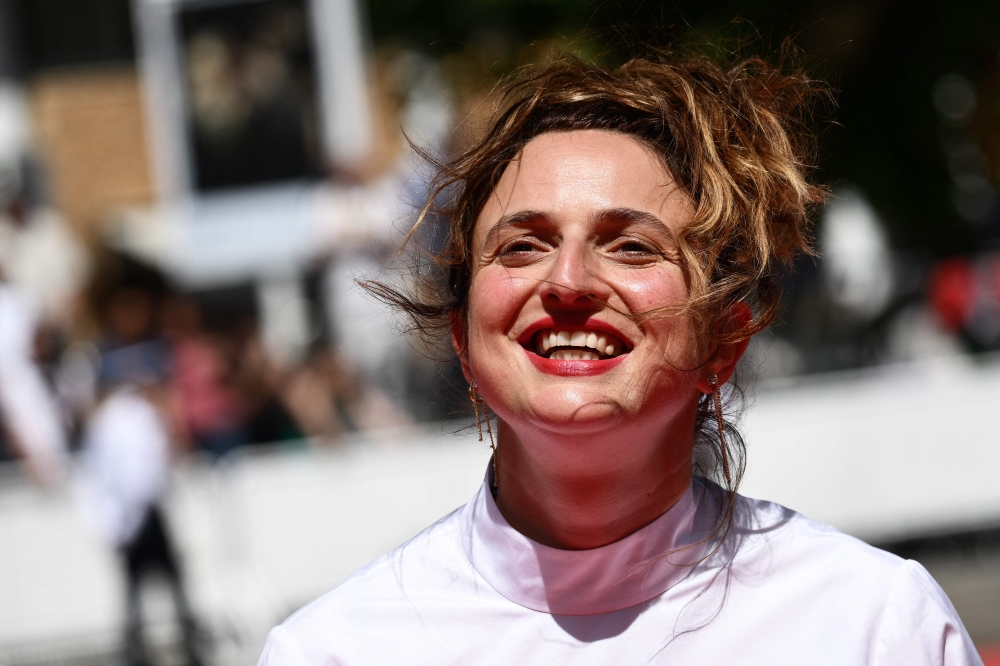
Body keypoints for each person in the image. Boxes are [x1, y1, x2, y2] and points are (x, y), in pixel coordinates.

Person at [258, 53, 981, 664]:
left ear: (723, 341)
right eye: (522, 245)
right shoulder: (335, 650)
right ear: (462, 339)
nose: (568, 282)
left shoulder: (872, 627)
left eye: (631, 245)